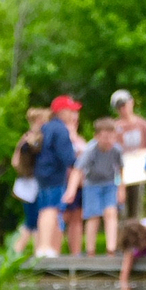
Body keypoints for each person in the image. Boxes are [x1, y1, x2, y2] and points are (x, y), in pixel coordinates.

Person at [64, 117, 124, 255]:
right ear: (97, 136)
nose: (108, 141)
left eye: (111, 137)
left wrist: (121, 189)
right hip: (92, 185)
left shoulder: (116, 150)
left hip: (109, 184)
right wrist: (71, 190)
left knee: (111, 212)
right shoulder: (90, 150)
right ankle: (90, 250)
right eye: (104, 137)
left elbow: (120, 170)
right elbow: (77, 170)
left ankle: (111, 248)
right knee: (93, 215)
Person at [34, 95, 79, 257]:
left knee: (44, 209)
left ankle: (43, 246)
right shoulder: (60, 129)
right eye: (71, 111)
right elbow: (67, 157)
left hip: (41, 174)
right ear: (61, 112)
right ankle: (44, 248)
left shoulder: (46, 127)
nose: (73, 114)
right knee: (51, 209)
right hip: (54, 175)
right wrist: (77, 163)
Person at [111, 89, 146, 217]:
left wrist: (143, 152)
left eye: (124, 105)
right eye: (119, 107)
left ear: (131, 103)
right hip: (122, 171)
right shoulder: (115, 127)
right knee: (122, 208)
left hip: (139, 171)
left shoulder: (141, 124)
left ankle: (137, 232)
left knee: (137, 205)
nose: (123, 109)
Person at [11, 107, 50, 254]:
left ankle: (36, 250)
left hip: (26, 183)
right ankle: (17, 250)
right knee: (32, 220)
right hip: (30, 184)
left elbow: (14, 162)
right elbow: (18, 161)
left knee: (35, 219)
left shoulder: (24, 138)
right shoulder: (33, 139)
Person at [61, 110, 88, 255]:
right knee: (62, 217)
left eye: (76, 121)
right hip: (63, 183)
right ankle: (54, 251)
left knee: (77, 218)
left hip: (79, 186)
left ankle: (75, 253)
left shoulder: (80, 140)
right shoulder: (62, 139)